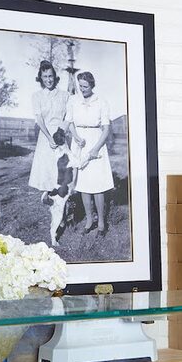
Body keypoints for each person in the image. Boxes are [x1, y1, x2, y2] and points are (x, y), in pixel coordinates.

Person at [65, 71, 114, 238]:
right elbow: (70, 122)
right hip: (79, 144)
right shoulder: (73, 100)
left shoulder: (101, 102)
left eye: (85, 86)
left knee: (98, 186)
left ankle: (101, 223)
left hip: (96, 143)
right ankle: (89, 221)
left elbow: (106, 129)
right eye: (80, 86)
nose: (82, 89)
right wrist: (76, 138)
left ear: (92, 86)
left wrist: (96, 148)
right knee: (84, 185)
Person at [28, 61, 70, 205]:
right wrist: (49, 138)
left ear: (55, 77)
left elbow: (68, 117)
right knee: (48, 172)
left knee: (62, 174)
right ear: (40, 78)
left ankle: (62, 207)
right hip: (45, 136)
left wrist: (60, 134)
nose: (48, 80)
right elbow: (39, 119)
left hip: (61, 135)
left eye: (50, 76)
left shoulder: (65, 95)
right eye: (45, 76)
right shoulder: (37, 96)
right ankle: (49, 198)